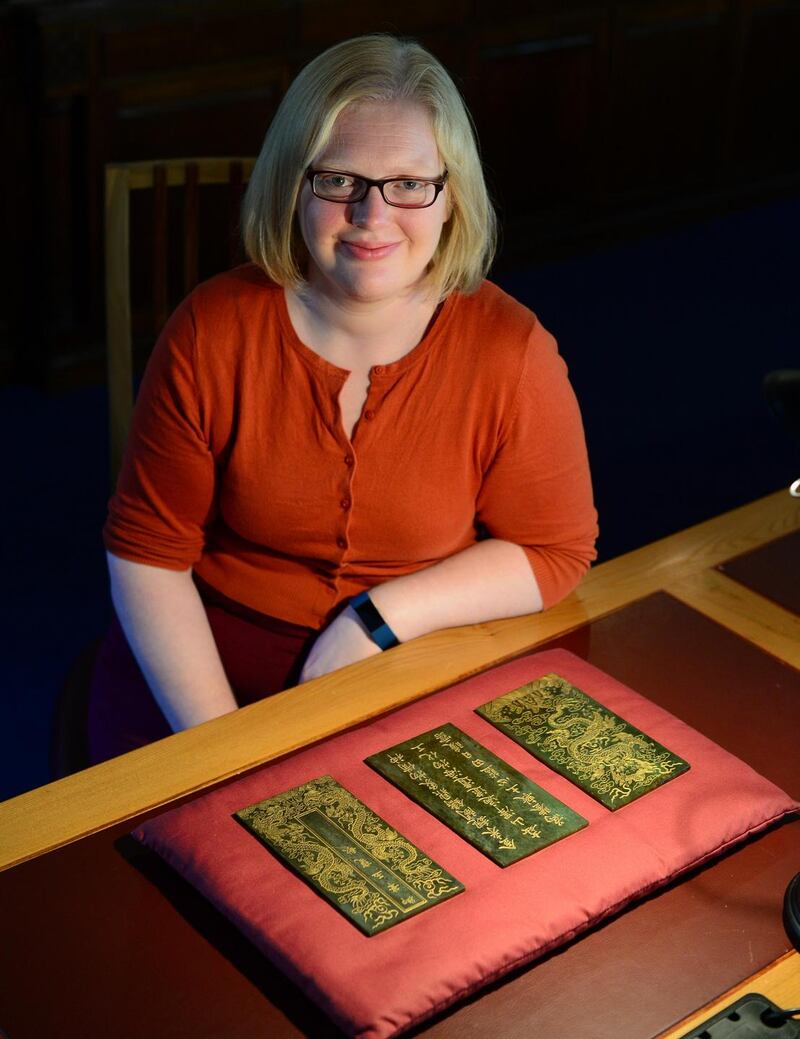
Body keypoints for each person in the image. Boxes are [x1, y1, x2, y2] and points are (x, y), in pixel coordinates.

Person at [88, 34, 598, 764]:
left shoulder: (512, 351)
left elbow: (555, 550)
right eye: (339, 180)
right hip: (202, 663)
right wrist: (224, 749)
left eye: (409, 184)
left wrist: (376, 618)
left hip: (408, 660)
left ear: (451, 197)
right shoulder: (211, 329)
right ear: (292, 184)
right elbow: (148, 556)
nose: (372, 214)